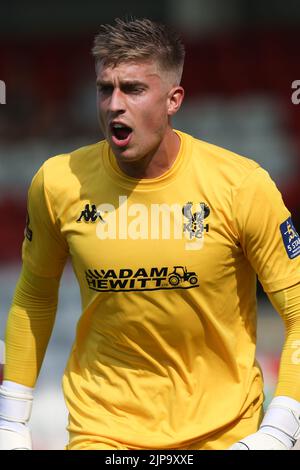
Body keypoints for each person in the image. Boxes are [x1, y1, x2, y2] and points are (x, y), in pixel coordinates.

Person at [0, 17, 300, 451]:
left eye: (134, 89)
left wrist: (282, 424)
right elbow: (34, 296)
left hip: (225, 435)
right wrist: (10, 420)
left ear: (174, 98)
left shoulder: (241, 185)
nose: (114, 105)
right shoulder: (57, 182)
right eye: (106, 89)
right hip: (102, 434)